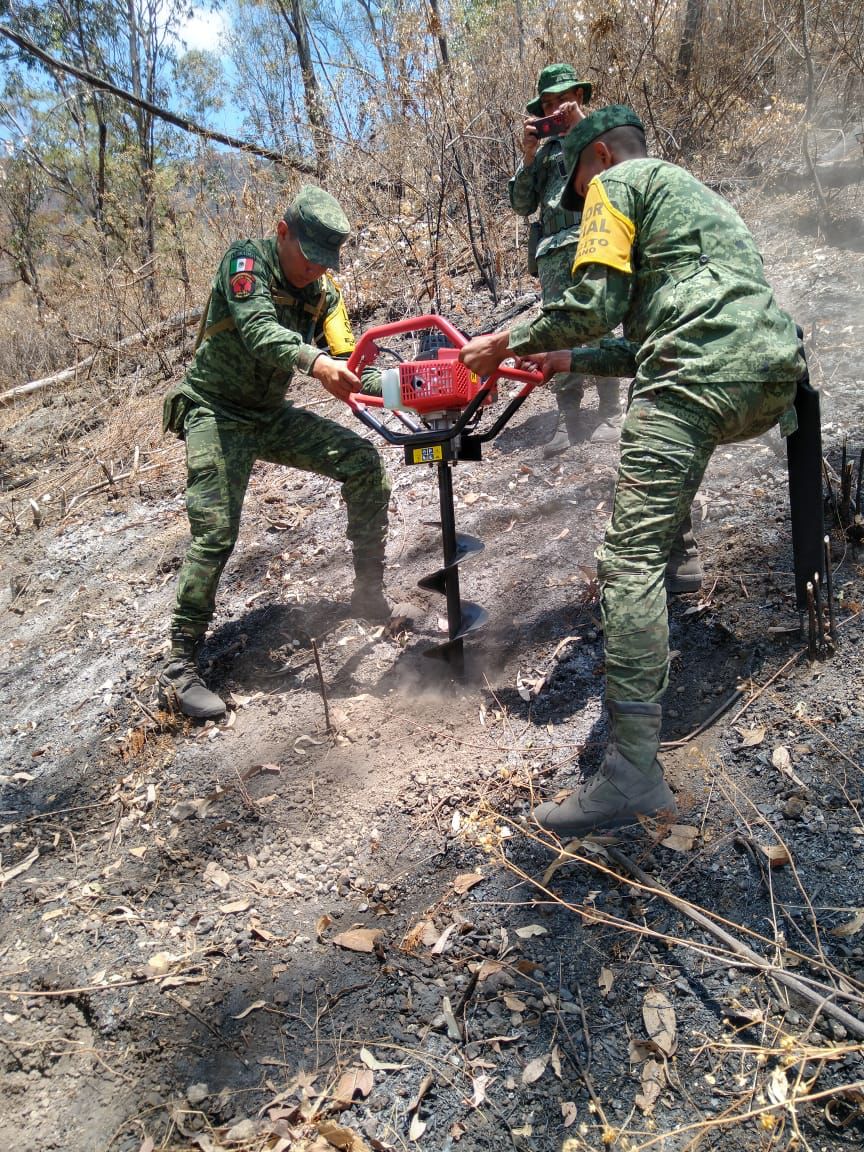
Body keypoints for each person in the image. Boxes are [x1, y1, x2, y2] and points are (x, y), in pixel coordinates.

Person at [461, 105, 806, 837]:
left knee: (626, 560)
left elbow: (592, 302)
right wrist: (571, 359)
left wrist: (504, 340)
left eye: (580, 190)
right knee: (660, 511)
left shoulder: (616, 187)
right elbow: (654, 328)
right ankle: (785, 609)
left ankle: (631, 777)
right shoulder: (700, 198)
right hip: (772, 374)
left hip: (696, 371)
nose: (584, 207)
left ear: (600, 161)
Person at [159, 186, 392, 720]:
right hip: (216, 410)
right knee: (216, 531)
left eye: (323, 262)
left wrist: (415, 385)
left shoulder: (326, 294)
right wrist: (316, 365)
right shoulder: (246, 263)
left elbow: (349, 361)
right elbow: (262, 333)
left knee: (363, 462)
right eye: (307, 257)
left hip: (268, 415)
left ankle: (368, 593)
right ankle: (178, 666)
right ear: (282, 232)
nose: (313, 270)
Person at [509, 63, 622, 455]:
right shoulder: (542, 154)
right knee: (557, 329)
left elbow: (622, 170)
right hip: (554, 251)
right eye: (548, 104)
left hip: (594, 237)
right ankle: (568, 416)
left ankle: (611, 410)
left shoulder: (600, 136)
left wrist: (584, 128)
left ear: (578, 98)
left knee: (600, 322)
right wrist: (527, 156)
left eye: (563, 100)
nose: (556, 109)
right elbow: (521, 205)